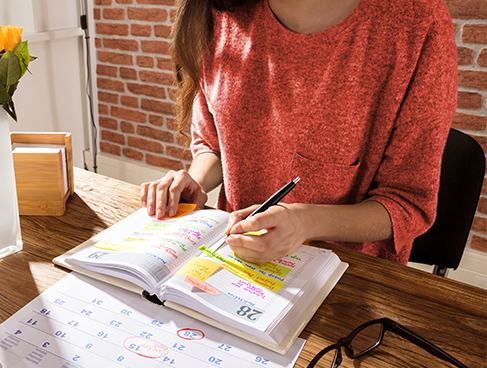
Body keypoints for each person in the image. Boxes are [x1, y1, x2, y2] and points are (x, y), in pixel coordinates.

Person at [140, 0, 457, 265]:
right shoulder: (222, 9)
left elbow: (406, 205)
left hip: (346, 276)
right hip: (235, 259)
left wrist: (304, 223)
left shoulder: (416, 20)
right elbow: (215, 143)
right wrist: (196, 180)